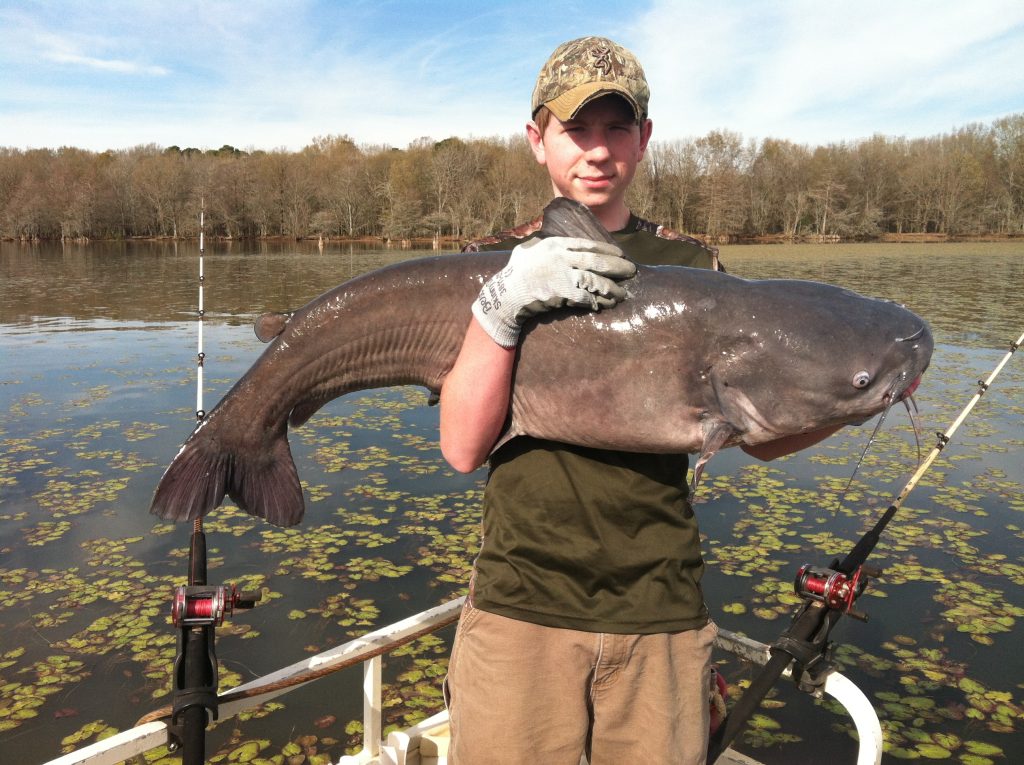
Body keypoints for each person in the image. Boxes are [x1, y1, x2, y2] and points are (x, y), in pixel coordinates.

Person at [439, 36, 841, 765]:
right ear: (538, 140)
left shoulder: (697, 268)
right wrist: (498, 307)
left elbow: (755, 428)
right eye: (575, 129)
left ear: (645, 138)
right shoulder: (487, 264)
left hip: (660, 609)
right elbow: (464, 448)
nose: (597, 150)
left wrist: (849, 398)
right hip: (519, 603)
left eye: (616, 127)